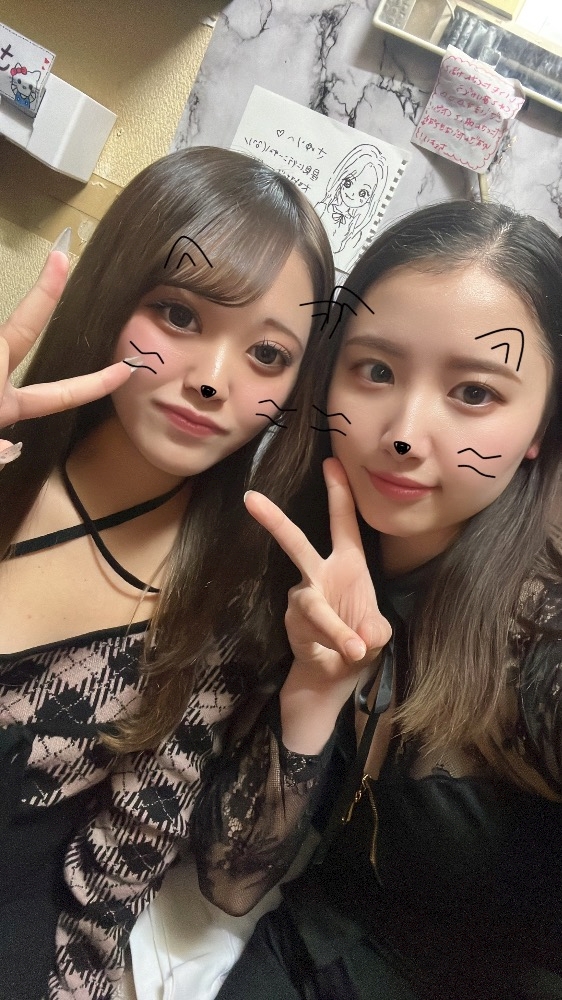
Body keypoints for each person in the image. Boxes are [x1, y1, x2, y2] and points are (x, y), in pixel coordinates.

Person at [193, 201, 562, 1000]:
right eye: (377, 371)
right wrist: (314, 689)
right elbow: (230, 881)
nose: (402, 432)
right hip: (298, 959)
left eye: (474, 392)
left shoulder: (542, 638)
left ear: (541, 426)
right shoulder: (291, 551)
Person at [0, 145, 333, 1000]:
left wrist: (324, 687)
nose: (213, 381)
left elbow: (115, 881)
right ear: (115, 294)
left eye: (268, 355)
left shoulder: (227, 605)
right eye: (179, 315)